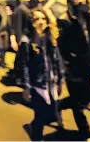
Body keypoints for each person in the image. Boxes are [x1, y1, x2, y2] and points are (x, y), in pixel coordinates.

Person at [56, 0, 90, 141]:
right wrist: (65, 67)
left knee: (83, 97)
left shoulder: (88, 18)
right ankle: (85, 133)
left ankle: (59, 106)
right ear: (69, 1)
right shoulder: (65, 20)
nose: (80, 0)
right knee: (78, 102)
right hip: (72, 69)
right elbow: (61, 48)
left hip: (88, 66)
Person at [18, 10, 63, 141]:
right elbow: (24, 64)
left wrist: (60, 79)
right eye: (36, 19)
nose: (41, 21)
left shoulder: (50, 36)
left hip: (51, 82)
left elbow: (57, 59)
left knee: (51, 115)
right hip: (37, 84)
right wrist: (26, 86)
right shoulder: (27, 40)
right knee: (40, 115)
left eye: (43, 18)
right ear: (31, 22)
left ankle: (32, 126)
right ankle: (36, 137)